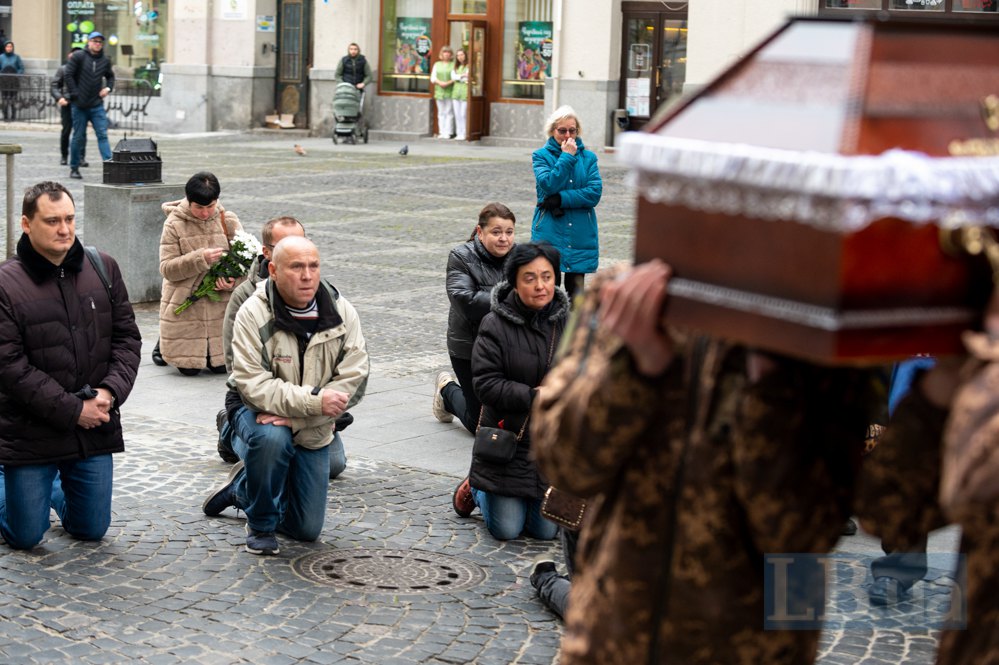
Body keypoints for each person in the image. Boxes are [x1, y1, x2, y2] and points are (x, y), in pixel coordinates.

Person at [530, 260, 879, 664]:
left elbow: (808, 528)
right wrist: (634, 367)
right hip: (612, 636)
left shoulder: (816, 325)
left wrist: (770, 386)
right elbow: (560, 460)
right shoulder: (613, 294)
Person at [202, 236, 369, 556]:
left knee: (306, 530)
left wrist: (306, 412)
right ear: (274, 270)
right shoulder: (253, 310)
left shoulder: (340, 309)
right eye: (296, 267)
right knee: (272, 438)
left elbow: (355, 376)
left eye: (313, 266)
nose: (307, 275)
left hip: (311, 420)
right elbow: (252, 384)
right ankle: (261, 525)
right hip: (258, 412)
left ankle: (242, 489)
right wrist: (315, 403)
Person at [0, 181, 141, 550]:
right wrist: (73, 410)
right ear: (27, 224)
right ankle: (10, 483)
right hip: (30, 431)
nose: (64, 229)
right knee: (25, 536)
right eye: (52, 221)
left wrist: (109, 393)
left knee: (90, 530)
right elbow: (10, 366)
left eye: (69, 219)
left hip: (94, 426)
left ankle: (50, 488)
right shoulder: (5, 283)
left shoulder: (103, 267)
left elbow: (128, 338)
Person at [451, 242, 568, 541]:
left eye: (547, 277)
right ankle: (477, 487)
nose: (540, 286)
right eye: (530, 278)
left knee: (545, 531)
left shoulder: (567, 323)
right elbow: (486, 384)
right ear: (514, 282)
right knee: (507, 529)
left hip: (548, 443)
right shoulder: (495, 323)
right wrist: (533, 396)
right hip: (508, 439)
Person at [434, 202, 516, 433]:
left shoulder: (520, 257)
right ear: (480, 232)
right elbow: (464, 300)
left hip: (507, 347)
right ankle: (447, 391)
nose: (504, 239)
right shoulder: (460, 256)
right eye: (496, 232)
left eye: (509, 232)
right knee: (479, 424)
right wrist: (512, 297)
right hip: (469, 347)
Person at [157, 172, 244, 375]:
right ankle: (164, 345)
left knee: (221, 368)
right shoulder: (173, 224)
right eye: (199, 207)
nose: (205, 213)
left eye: (210, 206)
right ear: (189, 201)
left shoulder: (227, 220)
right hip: (185, 303)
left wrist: (233, 281)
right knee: (188, 370)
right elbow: (167, 268)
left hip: (220, 306)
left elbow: (248, 261)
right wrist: (200, 259)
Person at [531, 105, 602, 302]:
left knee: (576, 297)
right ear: (552, 131)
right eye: (562, 131)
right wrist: (566, 157)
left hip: (580, 232)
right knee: (547, 292)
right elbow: (549, 184)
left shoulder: (589, 158)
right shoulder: (540, 156)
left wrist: (561, 199)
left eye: (572, 130)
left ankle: (571, 333)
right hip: (550, 230)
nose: (568, 135)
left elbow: (594, 193)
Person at [64, 32, 114, 180]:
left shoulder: (105, 60)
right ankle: (74, 168)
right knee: (78, 137)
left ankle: (111, 169)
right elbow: (68, 75)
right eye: (94, 41)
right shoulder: (79, 56)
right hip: (79, 106)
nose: (97, 43)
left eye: (100, 41)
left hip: (96, 105)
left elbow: (110, 77)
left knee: (103, 135)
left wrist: (108, 89)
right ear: (89, 42)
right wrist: (75, 93)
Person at [51, 48, 86, 167]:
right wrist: (59, 98)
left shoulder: (84, 70)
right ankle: (64, 156)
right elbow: (54, 85)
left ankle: (80, 157)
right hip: (67, 103)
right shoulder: (63, 69)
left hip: (81, 104)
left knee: (81, 132)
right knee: (66, 131)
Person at [430, 46, 455, 139]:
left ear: (451, 55)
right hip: (439, 92)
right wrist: (440, 83)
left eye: (448, 52)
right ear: (441, 54)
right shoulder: (437, 64)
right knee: (441, 112)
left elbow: (455, 77)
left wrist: (447, 83)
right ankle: (442, 132)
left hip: (450, 91)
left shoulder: (453, 64)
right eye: (445, 52)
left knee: (449, 112)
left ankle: (448, 132)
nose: (446, 54)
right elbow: (433, 78)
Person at [0, 40, 24, 121]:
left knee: (13, 99)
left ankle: (13, 116)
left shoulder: (16, 57)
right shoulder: (1, 57)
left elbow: (21, 68)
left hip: (14, 82)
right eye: (7, 46)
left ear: (12, 48)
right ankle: (5, 116)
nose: (9, 48)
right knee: (5, 99)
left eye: (10, 47)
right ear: (5, 48)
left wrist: (17, 75)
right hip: (3, 82)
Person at [451, 48, 469, 141]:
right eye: (458, 55)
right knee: (457, 114)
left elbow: (468, 77)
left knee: (463, 114)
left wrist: (459, 77)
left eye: (461, 54)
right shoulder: (455, 67)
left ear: (465, 55)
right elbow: (453, 77)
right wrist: (462, 76)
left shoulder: (469, 66)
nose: (460, 57)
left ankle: (465, 133)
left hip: (465, 92)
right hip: (456, 92)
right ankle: (459, 133)